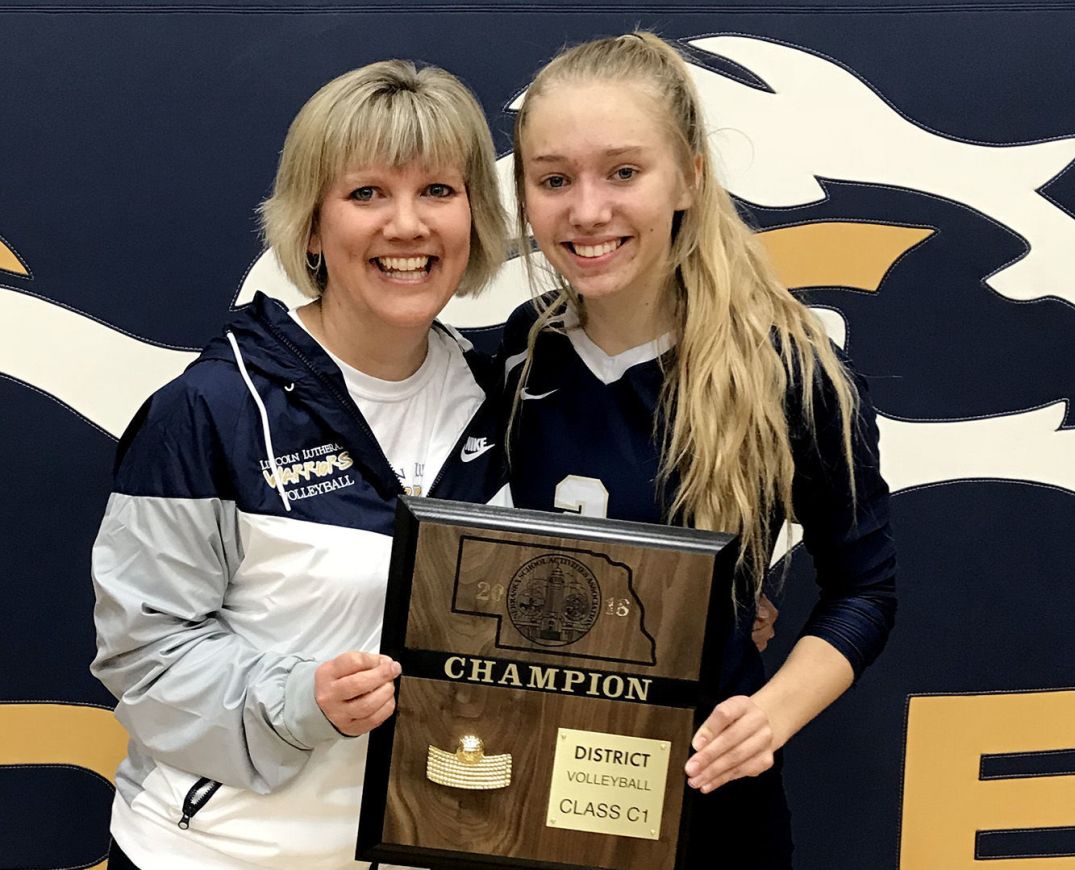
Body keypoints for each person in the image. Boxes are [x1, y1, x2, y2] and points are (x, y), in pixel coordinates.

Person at [91, 60, 507, 870]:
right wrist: (299, 700)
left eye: (437, 191)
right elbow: (142, 654)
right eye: (366, 194)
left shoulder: (512, 407)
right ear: (311, 226)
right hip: (219, 855)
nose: (406, 225)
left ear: (474, 217)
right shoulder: (210, 410)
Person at [503, 32, 896, 867]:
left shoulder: (788, 370)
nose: (586, 210)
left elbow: (863, 588)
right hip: (523, 802)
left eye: (622, 172)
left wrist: (770, 713)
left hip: (707, 813)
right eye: (553, 179)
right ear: (524, 196)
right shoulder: (512, 357)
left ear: (688, 173)